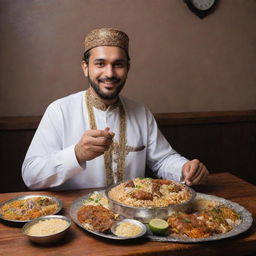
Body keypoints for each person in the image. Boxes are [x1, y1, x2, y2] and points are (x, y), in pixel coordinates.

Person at [22, 28, 209, 190]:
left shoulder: (141, 112)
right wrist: (76, 154)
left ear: (128, 68)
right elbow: (31, 175)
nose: (109, 74)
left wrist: (184, 168)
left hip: (132, 222)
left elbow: (162, 160)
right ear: (85, 67)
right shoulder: (59, 111)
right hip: (77, 219)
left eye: (118, 65)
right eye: (100, 64)